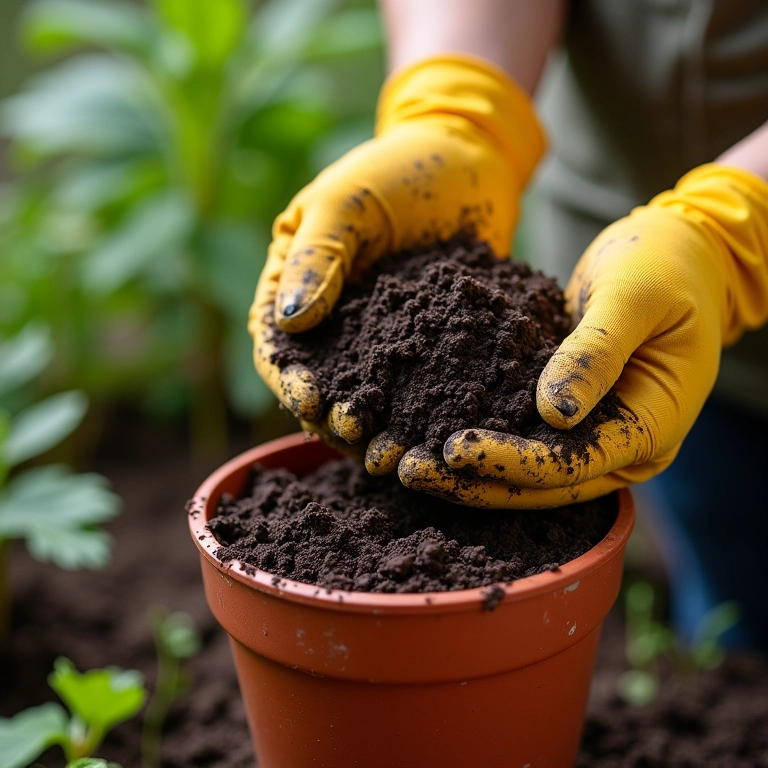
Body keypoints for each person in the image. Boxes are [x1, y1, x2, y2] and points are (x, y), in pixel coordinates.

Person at [249, 1, 768, 648]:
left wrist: (741, 227)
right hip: (631, 326)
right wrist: (457, 107)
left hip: (681, 300)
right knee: (730, 595)